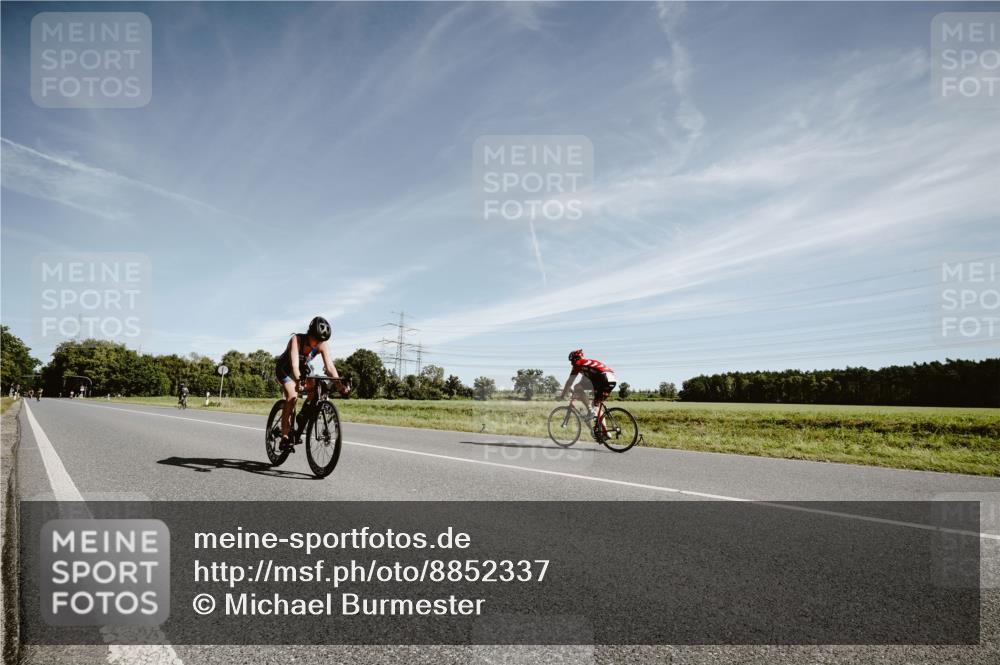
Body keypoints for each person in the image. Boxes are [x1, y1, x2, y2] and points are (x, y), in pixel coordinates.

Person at [274, 316, 348, 452]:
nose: (318, 343)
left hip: (302, 369)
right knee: (292, 396)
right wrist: (298, 381)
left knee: (317, 387)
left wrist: (340, 385)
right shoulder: (296, 340)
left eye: (321, 340)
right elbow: (295, 366)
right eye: (316, 339)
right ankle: (284, 436)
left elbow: (330, 368)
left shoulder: (322, 344)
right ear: (310, 334)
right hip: (285, 369)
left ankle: (302, 415)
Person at [559, 349, 617, 425]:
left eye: (572, 361)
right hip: (612, 379)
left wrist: (563, 395)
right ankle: (605, 433)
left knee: (592, 409)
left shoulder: (578, 363)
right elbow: (582, 383)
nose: (571, 364)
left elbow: (570, 382)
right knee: (596, 408)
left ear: (576, 359)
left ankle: (590, 411)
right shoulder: (587, 365)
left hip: (603, 378)